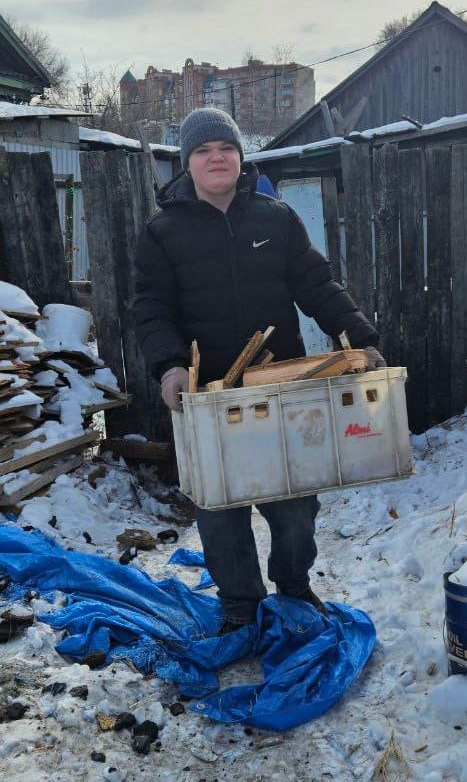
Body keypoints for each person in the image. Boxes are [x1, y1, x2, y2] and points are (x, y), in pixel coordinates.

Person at [133, 107, 385, 633]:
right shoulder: (163, 232)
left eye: (225, 148)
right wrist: (170, 367)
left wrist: (361, 340)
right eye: (202, 151)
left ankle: (293, 585)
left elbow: (318, 286)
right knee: (220, 509)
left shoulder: (275, 218)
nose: (216, 158)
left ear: (240, 157)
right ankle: (240, 603)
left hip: (281, 386)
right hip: (207, 396)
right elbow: (152, 308)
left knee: (295, 502)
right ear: (187, 164)